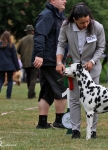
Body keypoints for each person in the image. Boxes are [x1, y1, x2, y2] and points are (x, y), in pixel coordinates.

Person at [56, 2, 106, 138]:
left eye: (87, 21)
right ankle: (75, 130)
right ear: (74, 20)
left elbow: (101, 47)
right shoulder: (66, 27)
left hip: (92, 69)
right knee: (74, 99)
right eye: (82, 22)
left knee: (93, 100)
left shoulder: (98, 27)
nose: (86, 24)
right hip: (73, 68)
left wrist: (92, 61)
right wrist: (59, 62)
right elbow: (61, 44)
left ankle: (93, 130)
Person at [31, 0, 67, 129]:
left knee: (47, 91)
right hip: (50, 60)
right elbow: (40, 35)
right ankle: (60, 121)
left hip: (52, 59)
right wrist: (39, 54)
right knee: (62, 89)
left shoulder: (59, 16)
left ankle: (42, 123)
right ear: (52, 1)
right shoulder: (47, 15)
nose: (65, 0)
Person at [17, 25, 39, 99]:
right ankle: (31, 93)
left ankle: (31, 93)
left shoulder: (22, 40)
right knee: (33, 78)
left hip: (25, 62)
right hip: (34, 61)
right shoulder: (36, 39)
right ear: (33, 31)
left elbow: (18, 51)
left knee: (29, 78)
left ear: (26, 32)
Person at [0, 31, 20, 99]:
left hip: (1, 65)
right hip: (10, 65)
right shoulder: (11, 45)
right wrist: (17, 67)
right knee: (10, 80)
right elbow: (14, 57)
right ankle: (8, 95)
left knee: (1, 80)